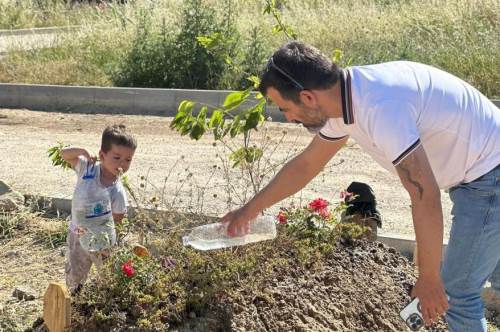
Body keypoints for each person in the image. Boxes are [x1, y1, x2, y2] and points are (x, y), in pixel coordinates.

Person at [220, 41, 500, 331]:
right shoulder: (347, 99)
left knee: (455, 294)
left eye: (286, 108)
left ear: (307, 97)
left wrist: (429, 278)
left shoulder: (380, 108)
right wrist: (248, 211)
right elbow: (306, 165)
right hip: (482, 174)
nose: (289, 118)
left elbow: (424, 194)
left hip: (490, 178)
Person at [61, 124, 137, 294]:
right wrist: (83, 151)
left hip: (102, 243)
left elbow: (117, 220)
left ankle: (106, 301)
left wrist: (107, 245)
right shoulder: (87, 169)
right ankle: (74, 302)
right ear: (102, 155)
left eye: (128, 159)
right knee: (75, 275)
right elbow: (64, 154)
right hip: (77, 235)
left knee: (109, 276)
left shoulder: (117, 191)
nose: (122, 164)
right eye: (117, 158)